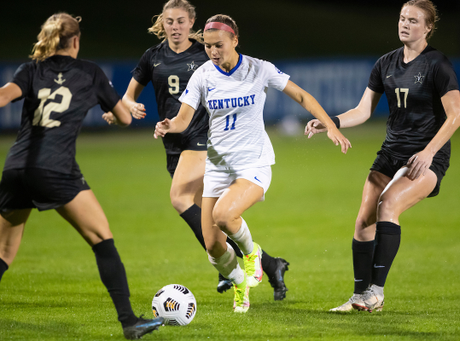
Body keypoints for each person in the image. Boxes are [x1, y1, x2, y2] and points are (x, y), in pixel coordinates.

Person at [154, 14, 351, 313]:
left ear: (235, 40)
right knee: (213, 247)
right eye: (207, 47)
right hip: (218, 166)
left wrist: (331, 126)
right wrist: (170, 125)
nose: (213, 52)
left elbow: (300, 95)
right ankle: (239, 282)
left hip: (253, 164)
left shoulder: (259, 69)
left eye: (219, 45)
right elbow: (184, 118)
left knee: (223, 214)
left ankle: (252, 253)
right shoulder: (203, 75)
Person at [0, 13, 164, 339]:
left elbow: (4, 96)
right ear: (76, 41)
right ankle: (130, 322)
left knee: (4, 251)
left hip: (15, 168)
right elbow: (125, 119)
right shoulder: (90, 72)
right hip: (56, 169)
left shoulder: (30, 69)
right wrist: (117, 112)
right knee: (102, 239)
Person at [113, 0, 290, 300]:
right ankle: (270, 265)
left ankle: (231, 272)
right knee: (208, 223)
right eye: (169, 21)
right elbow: (128, 97)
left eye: (181, 21)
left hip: (203, 139)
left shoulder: (206, 52)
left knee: (179, 197)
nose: (175, 27)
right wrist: (123, 108)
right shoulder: (152, 57)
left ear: (191, 22)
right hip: (173, 143)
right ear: (162, 23)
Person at [305, 0, 460, 312]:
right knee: (364, 220)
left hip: (423, 158)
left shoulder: (437, 64)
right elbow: (362, 111)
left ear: (428, 27)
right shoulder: (386, 63)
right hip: (390, 154)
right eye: (403, 18)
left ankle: (376, 292)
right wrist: (330, 121)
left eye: (414, 20)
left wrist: (429, 152)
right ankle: (359, 297)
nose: (405, 24)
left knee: (388, 205)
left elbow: (455, 116)